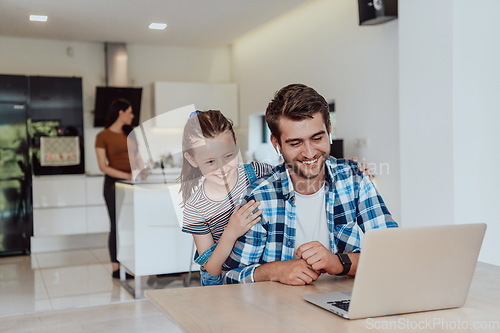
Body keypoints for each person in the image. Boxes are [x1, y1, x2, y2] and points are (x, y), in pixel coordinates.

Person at [223, 84, 398, 285]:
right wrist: (274, 270)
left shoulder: (356, 180)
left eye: (317, 138)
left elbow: (392, 256)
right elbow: (230, 277)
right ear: (276, 143)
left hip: (345, 304)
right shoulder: (260, 197)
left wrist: (339, 263)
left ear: (329, 131)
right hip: (278, 311)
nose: (309, 153)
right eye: (295, 143)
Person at [180, 110, 273, 286]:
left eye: (228, 156)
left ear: (236, 143)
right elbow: (212, 269)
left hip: (265, 273)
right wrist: (231, 232)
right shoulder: (196, 208)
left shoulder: (258, 172)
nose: (222, 169)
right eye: (210, 162)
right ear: (192, 159)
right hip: (225, 284)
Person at [95, 98, 135, 279]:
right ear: (121, 112)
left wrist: (141, 170)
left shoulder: (130, 134)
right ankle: (115, 267)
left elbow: (138, 159)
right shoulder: (103, 136)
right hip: (113, 184)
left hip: (132, 185)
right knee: (116, 224)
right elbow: (103, 166)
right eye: (130, 112)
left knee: (131, 225)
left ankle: (130, 263)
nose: (132, 116)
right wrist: (126, 175)